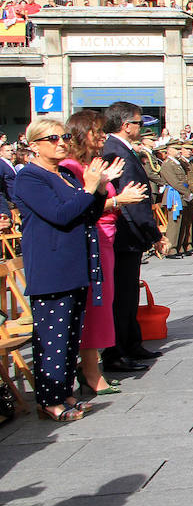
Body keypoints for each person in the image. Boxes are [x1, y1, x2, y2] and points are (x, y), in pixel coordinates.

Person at [12, 117, 114, 422]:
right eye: (52, 139)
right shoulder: (30, 178)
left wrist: (98, 191)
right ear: (34, 146)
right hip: (50, 265)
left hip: (74, 263)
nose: (61, 143)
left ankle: (65, 392)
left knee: (70, 336)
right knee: (52, 337)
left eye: (64, 137)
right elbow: (59, 214)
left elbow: (87, 213)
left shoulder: (66, 175)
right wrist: (89, 189)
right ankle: (49, 400)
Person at [63, 110, 145, 396]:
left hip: (106, 238)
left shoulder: (91, 163)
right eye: (96, 133)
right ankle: (91, 370)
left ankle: (93, 367)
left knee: (104, 303)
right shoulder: (70, 166)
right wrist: (114, 198)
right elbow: (79, 206)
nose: (101, 138)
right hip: (94, 237)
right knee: (97, 306)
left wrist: (105, 186)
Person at [101, 102, 165, 373]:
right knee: (122, 295)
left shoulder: (123, 150)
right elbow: (134, 198)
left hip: (128, 234)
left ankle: (131, 342)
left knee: (128, 294)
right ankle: (117, 351)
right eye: (139, 123)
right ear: (126, 125)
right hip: (124, 234)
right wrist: (153, 234)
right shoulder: (118, 152)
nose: (142, 128)